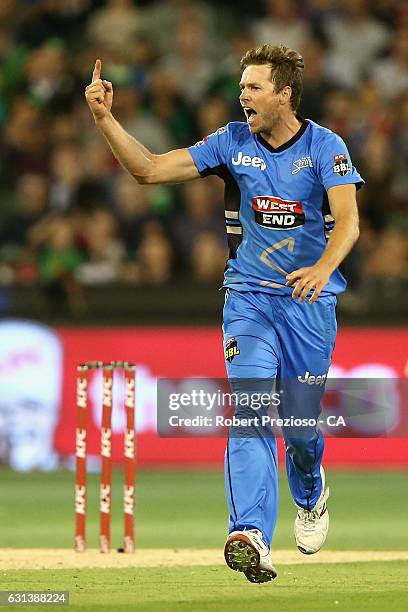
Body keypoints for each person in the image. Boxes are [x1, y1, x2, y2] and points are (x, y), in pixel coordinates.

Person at [85, 44, 363, 583]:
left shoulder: (326, 147)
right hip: (248, 301)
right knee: (252, 412)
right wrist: (105, 119)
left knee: (300, 428)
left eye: (254, 87)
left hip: (309, 304)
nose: (243, 95)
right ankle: (250, 534)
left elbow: (348, 221)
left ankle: (310, 491)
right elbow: (147, 170)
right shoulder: (233, 141)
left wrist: (324, 268)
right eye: (241, 86)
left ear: (284, 95)